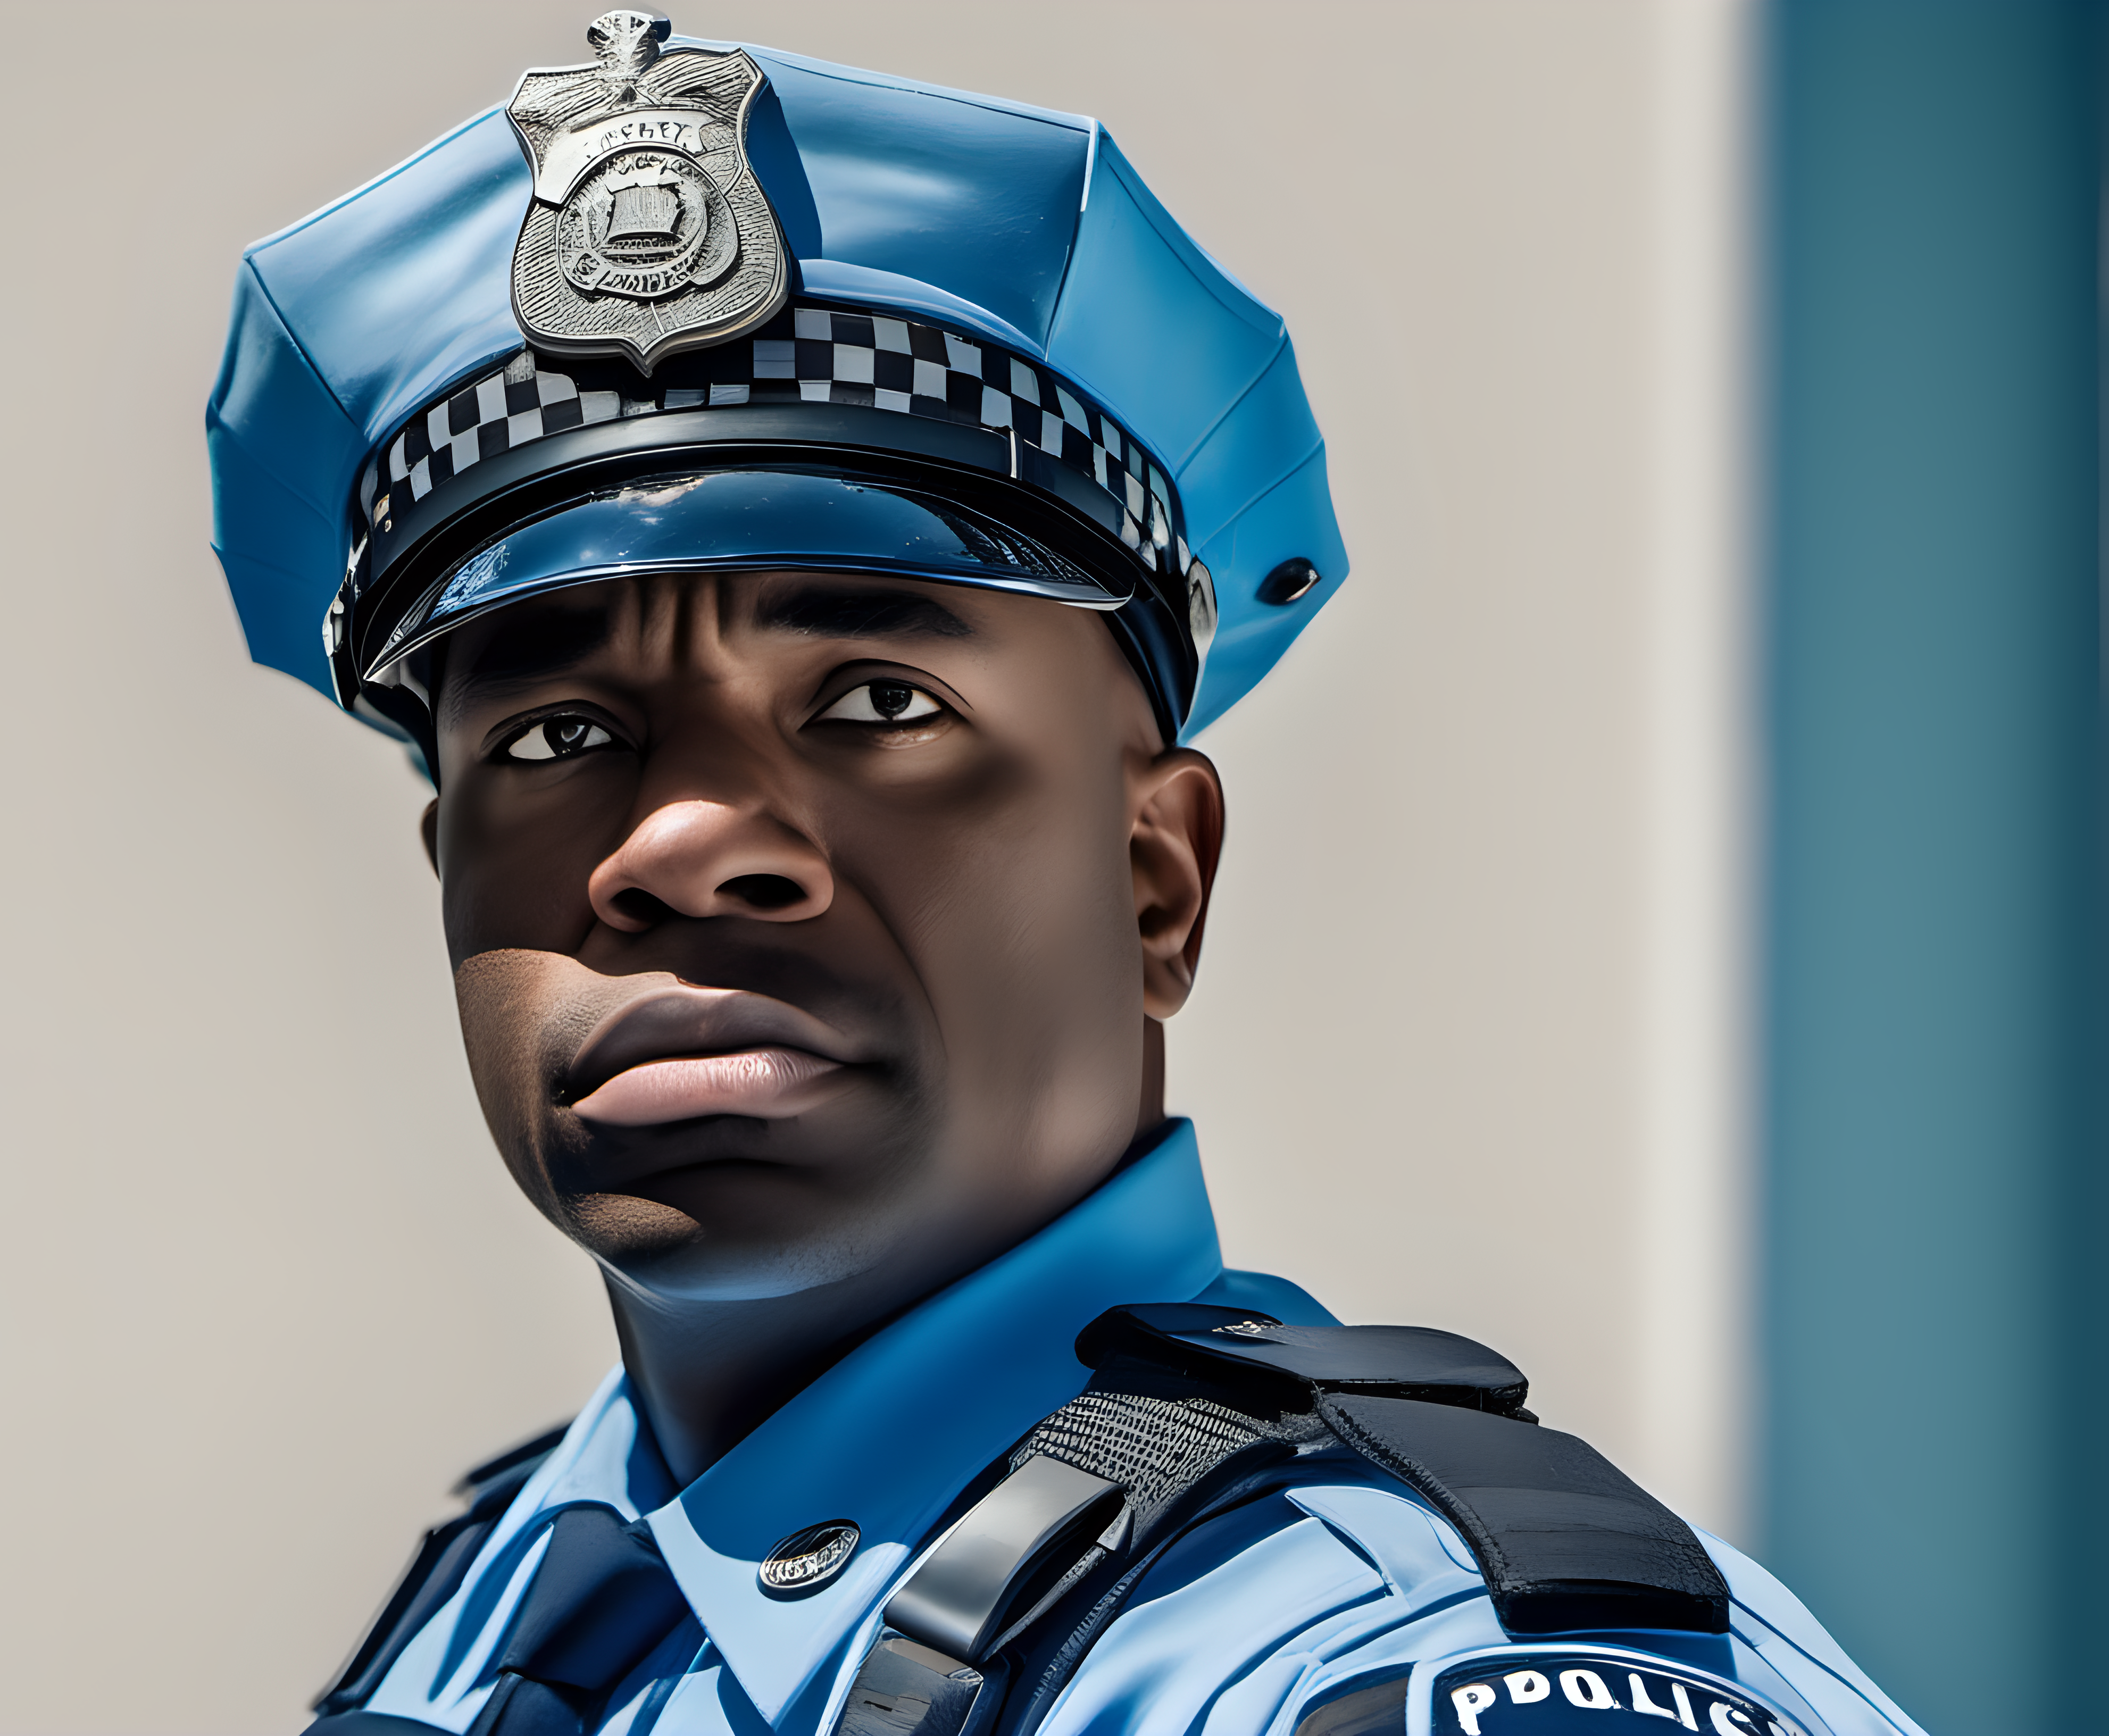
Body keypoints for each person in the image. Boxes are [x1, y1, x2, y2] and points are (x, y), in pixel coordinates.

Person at [206, 15, 1920, 1736]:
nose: (681, 845)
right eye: (559, 740)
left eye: (880, 704)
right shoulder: (500, 1609)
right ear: (448, 875)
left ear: (1156, 878)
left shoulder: (1373, 1671)